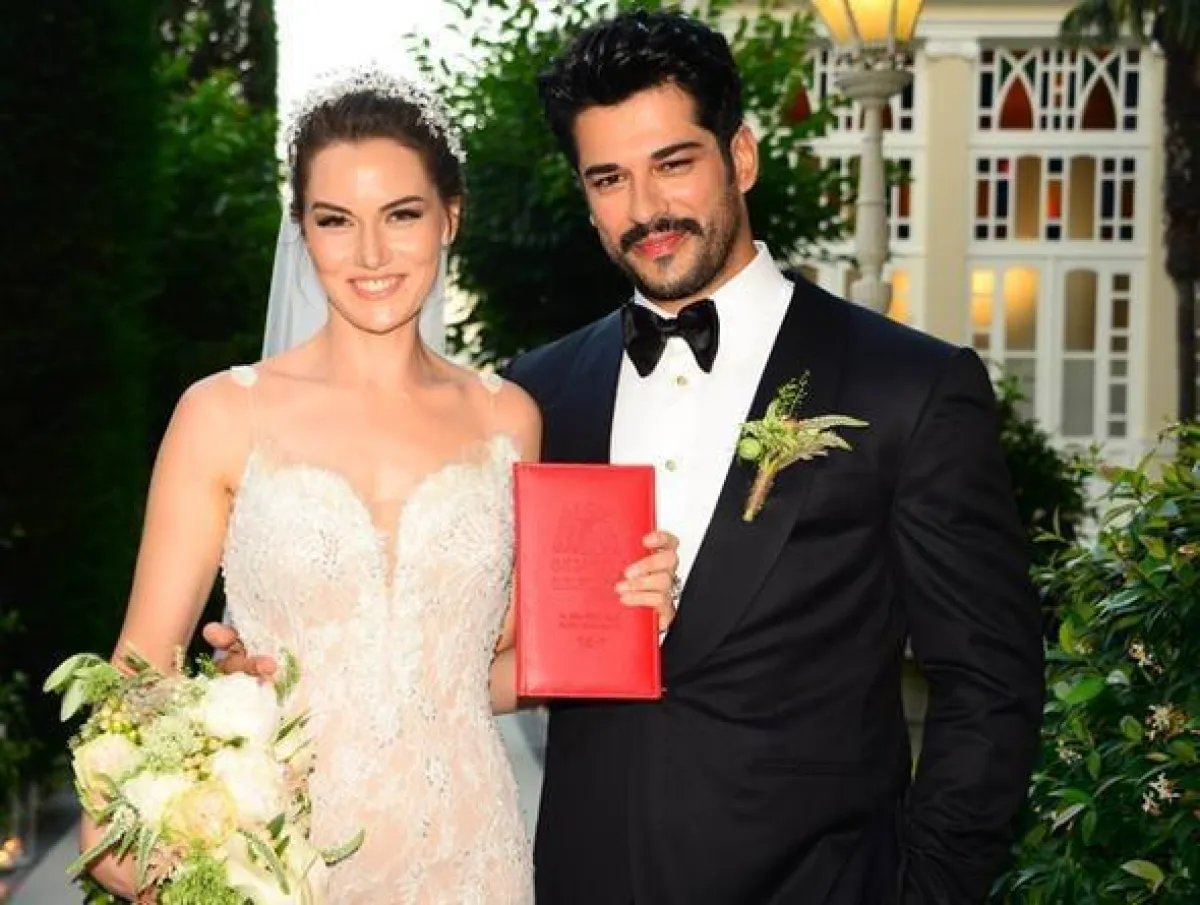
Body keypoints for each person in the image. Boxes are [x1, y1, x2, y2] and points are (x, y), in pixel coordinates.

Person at [80, 70, 680, 904]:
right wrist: (127, 824)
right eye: (336, 220)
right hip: (280, 855)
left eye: (401, 215)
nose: (370, 254)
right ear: (302, 229)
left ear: (449, 217)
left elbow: (495, 671)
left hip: (471, 855)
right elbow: (142, 664)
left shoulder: (508, 418)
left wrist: (629, 615)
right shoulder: (220, 415)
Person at [502, 10, 1045, 905]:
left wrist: (924, 890)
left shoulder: (907, 385)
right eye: (609, 178)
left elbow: (990, 678)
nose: (645, 209)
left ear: (741, 157)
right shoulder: (538, 393)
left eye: (673, 163)